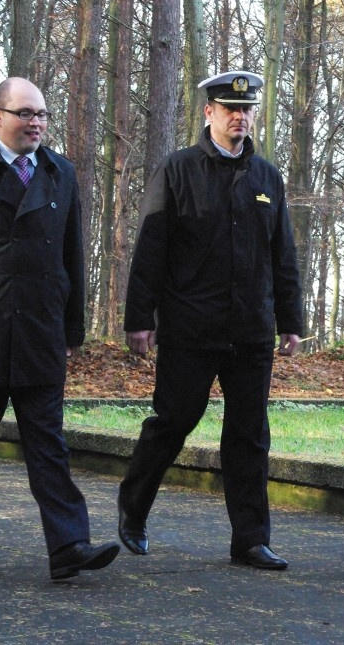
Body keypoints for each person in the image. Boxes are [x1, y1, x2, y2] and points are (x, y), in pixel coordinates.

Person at [0, 77, 120, 581]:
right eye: (25, 113)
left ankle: (70, 546)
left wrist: (70, 331)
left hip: (40, 331)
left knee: (48, 444)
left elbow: (71, 258)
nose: (36, 123)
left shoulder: (60, 172)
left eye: (43, 115)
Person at [117, 71, 303, 570]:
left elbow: (282, 254)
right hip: (190, 327)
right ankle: (132, 510)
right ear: (209, 113)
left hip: (250, 330)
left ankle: (250, 539)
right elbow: (150, 251)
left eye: (247, 109)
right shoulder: (177, 170)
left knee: (249, 434)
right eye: (229, 108)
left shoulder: (266, 177)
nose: (239, 117)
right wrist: (140, 319)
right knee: (173, 422)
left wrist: (291, 320)